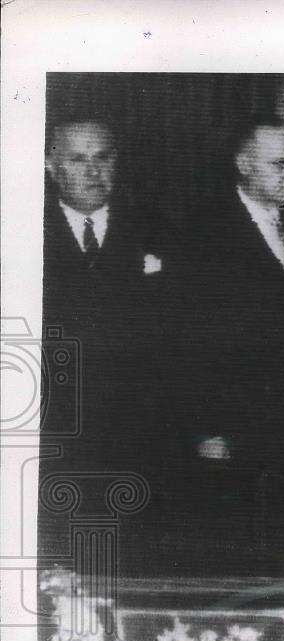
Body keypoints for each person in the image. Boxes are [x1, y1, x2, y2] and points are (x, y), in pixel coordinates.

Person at [173, 115, 284, 528]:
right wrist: (207, 428)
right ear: (243, 163)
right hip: (235, 430)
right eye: (279, 165)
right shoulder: (200, 233)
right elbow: (188, 342)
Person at [41, 118, 176, 547]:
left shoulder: (159, 232)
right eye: (78, 159)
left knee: (138, 560)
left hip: (140, 439)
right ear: (51, 164)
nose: (93, 171)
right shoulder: (23, 231)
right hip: (53, 438)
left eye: (102, 158)